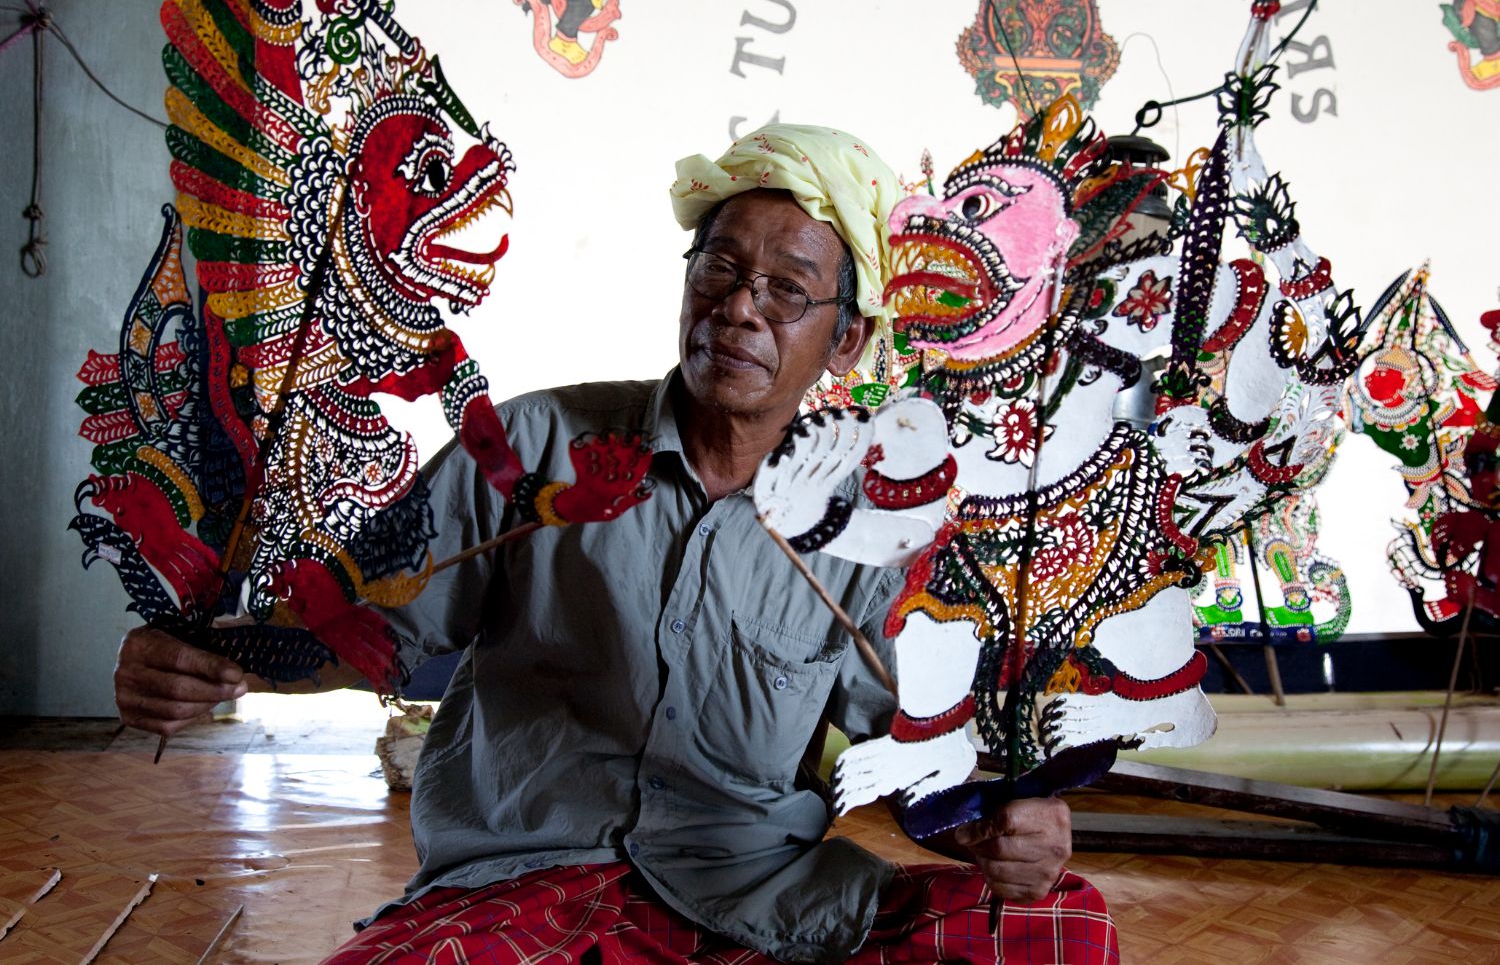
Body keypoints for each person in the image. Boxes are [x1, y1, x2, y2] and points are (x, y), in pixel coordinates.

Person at [114, 126, 1119, 963]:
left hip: (761, 893)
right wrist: (223, 658)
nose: (739, 307)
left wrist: (996, 821)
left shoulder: (872, 524)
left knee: (1056, 926)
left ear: (846, 342)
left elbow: (915, 755)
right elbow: (370, 620)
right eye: (720, 270)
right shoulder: (533, 447)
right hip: (527, 886)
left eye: (785, 290)